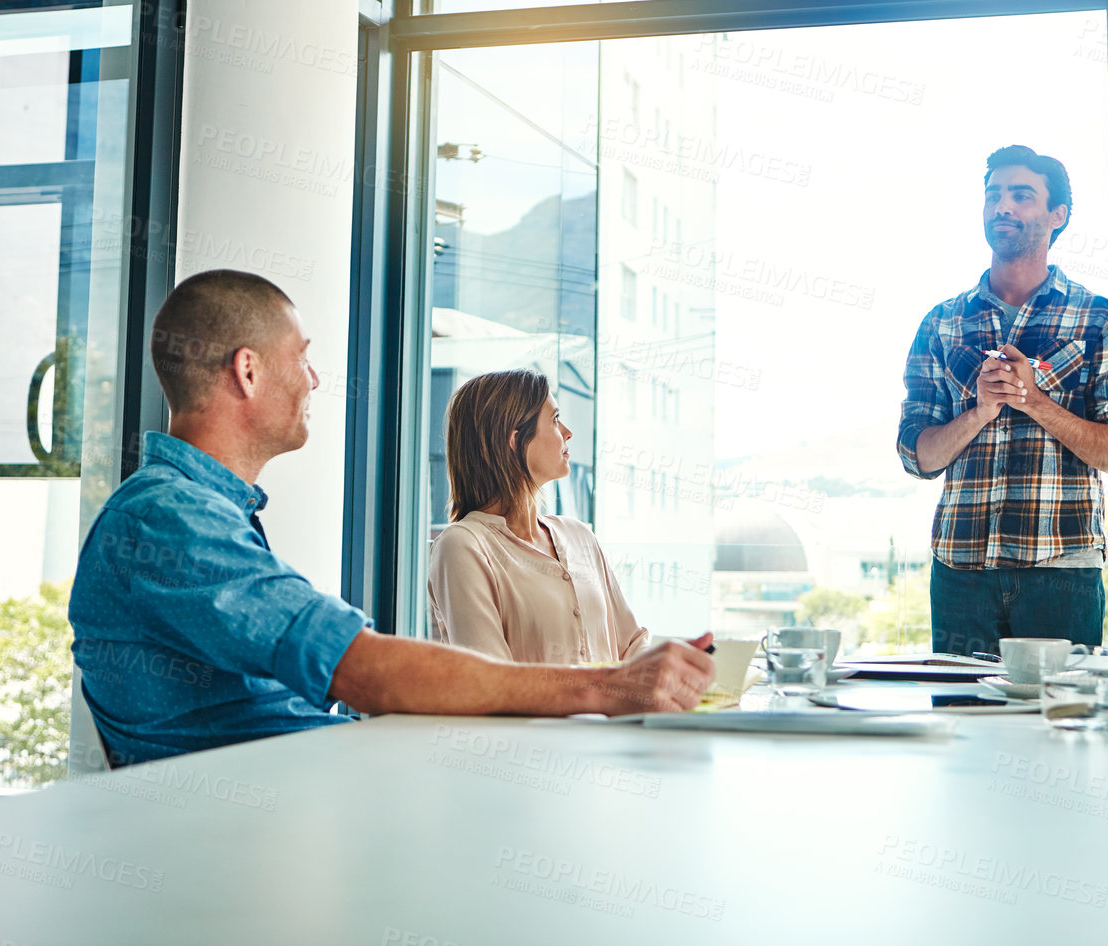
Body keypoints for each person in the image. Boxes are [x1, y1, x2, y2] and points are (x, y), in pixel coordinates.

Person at [69, 270, 713, 766]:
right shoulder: (164, 519)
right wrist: (605, 688)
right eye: (302, 357)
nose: (314, 379)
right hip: (269, 824)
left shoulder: (204, 513)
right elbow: (360, 668)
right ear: (248, 370)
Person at [897, 145, 1108, 655]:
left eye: (1021, 195)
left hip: (1060, 575)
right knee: (964, 728)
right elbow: (917, 457)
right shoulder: (942, 322)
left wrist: (1033, 400)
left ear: (1057, 216)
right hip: (960, 571)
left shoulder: (1101, 320)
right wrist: (981, 410)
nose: (1002, 207)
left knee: (1057, 730)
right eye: (993, 196)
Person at [429, 369, 649, 664]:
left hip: (618, 712)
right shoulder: (462, 546)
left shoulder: (580, 536)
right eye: (555, 419)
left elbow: (632, 644)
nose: (568, 432)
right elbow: (492, 681)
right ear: (515, 439)